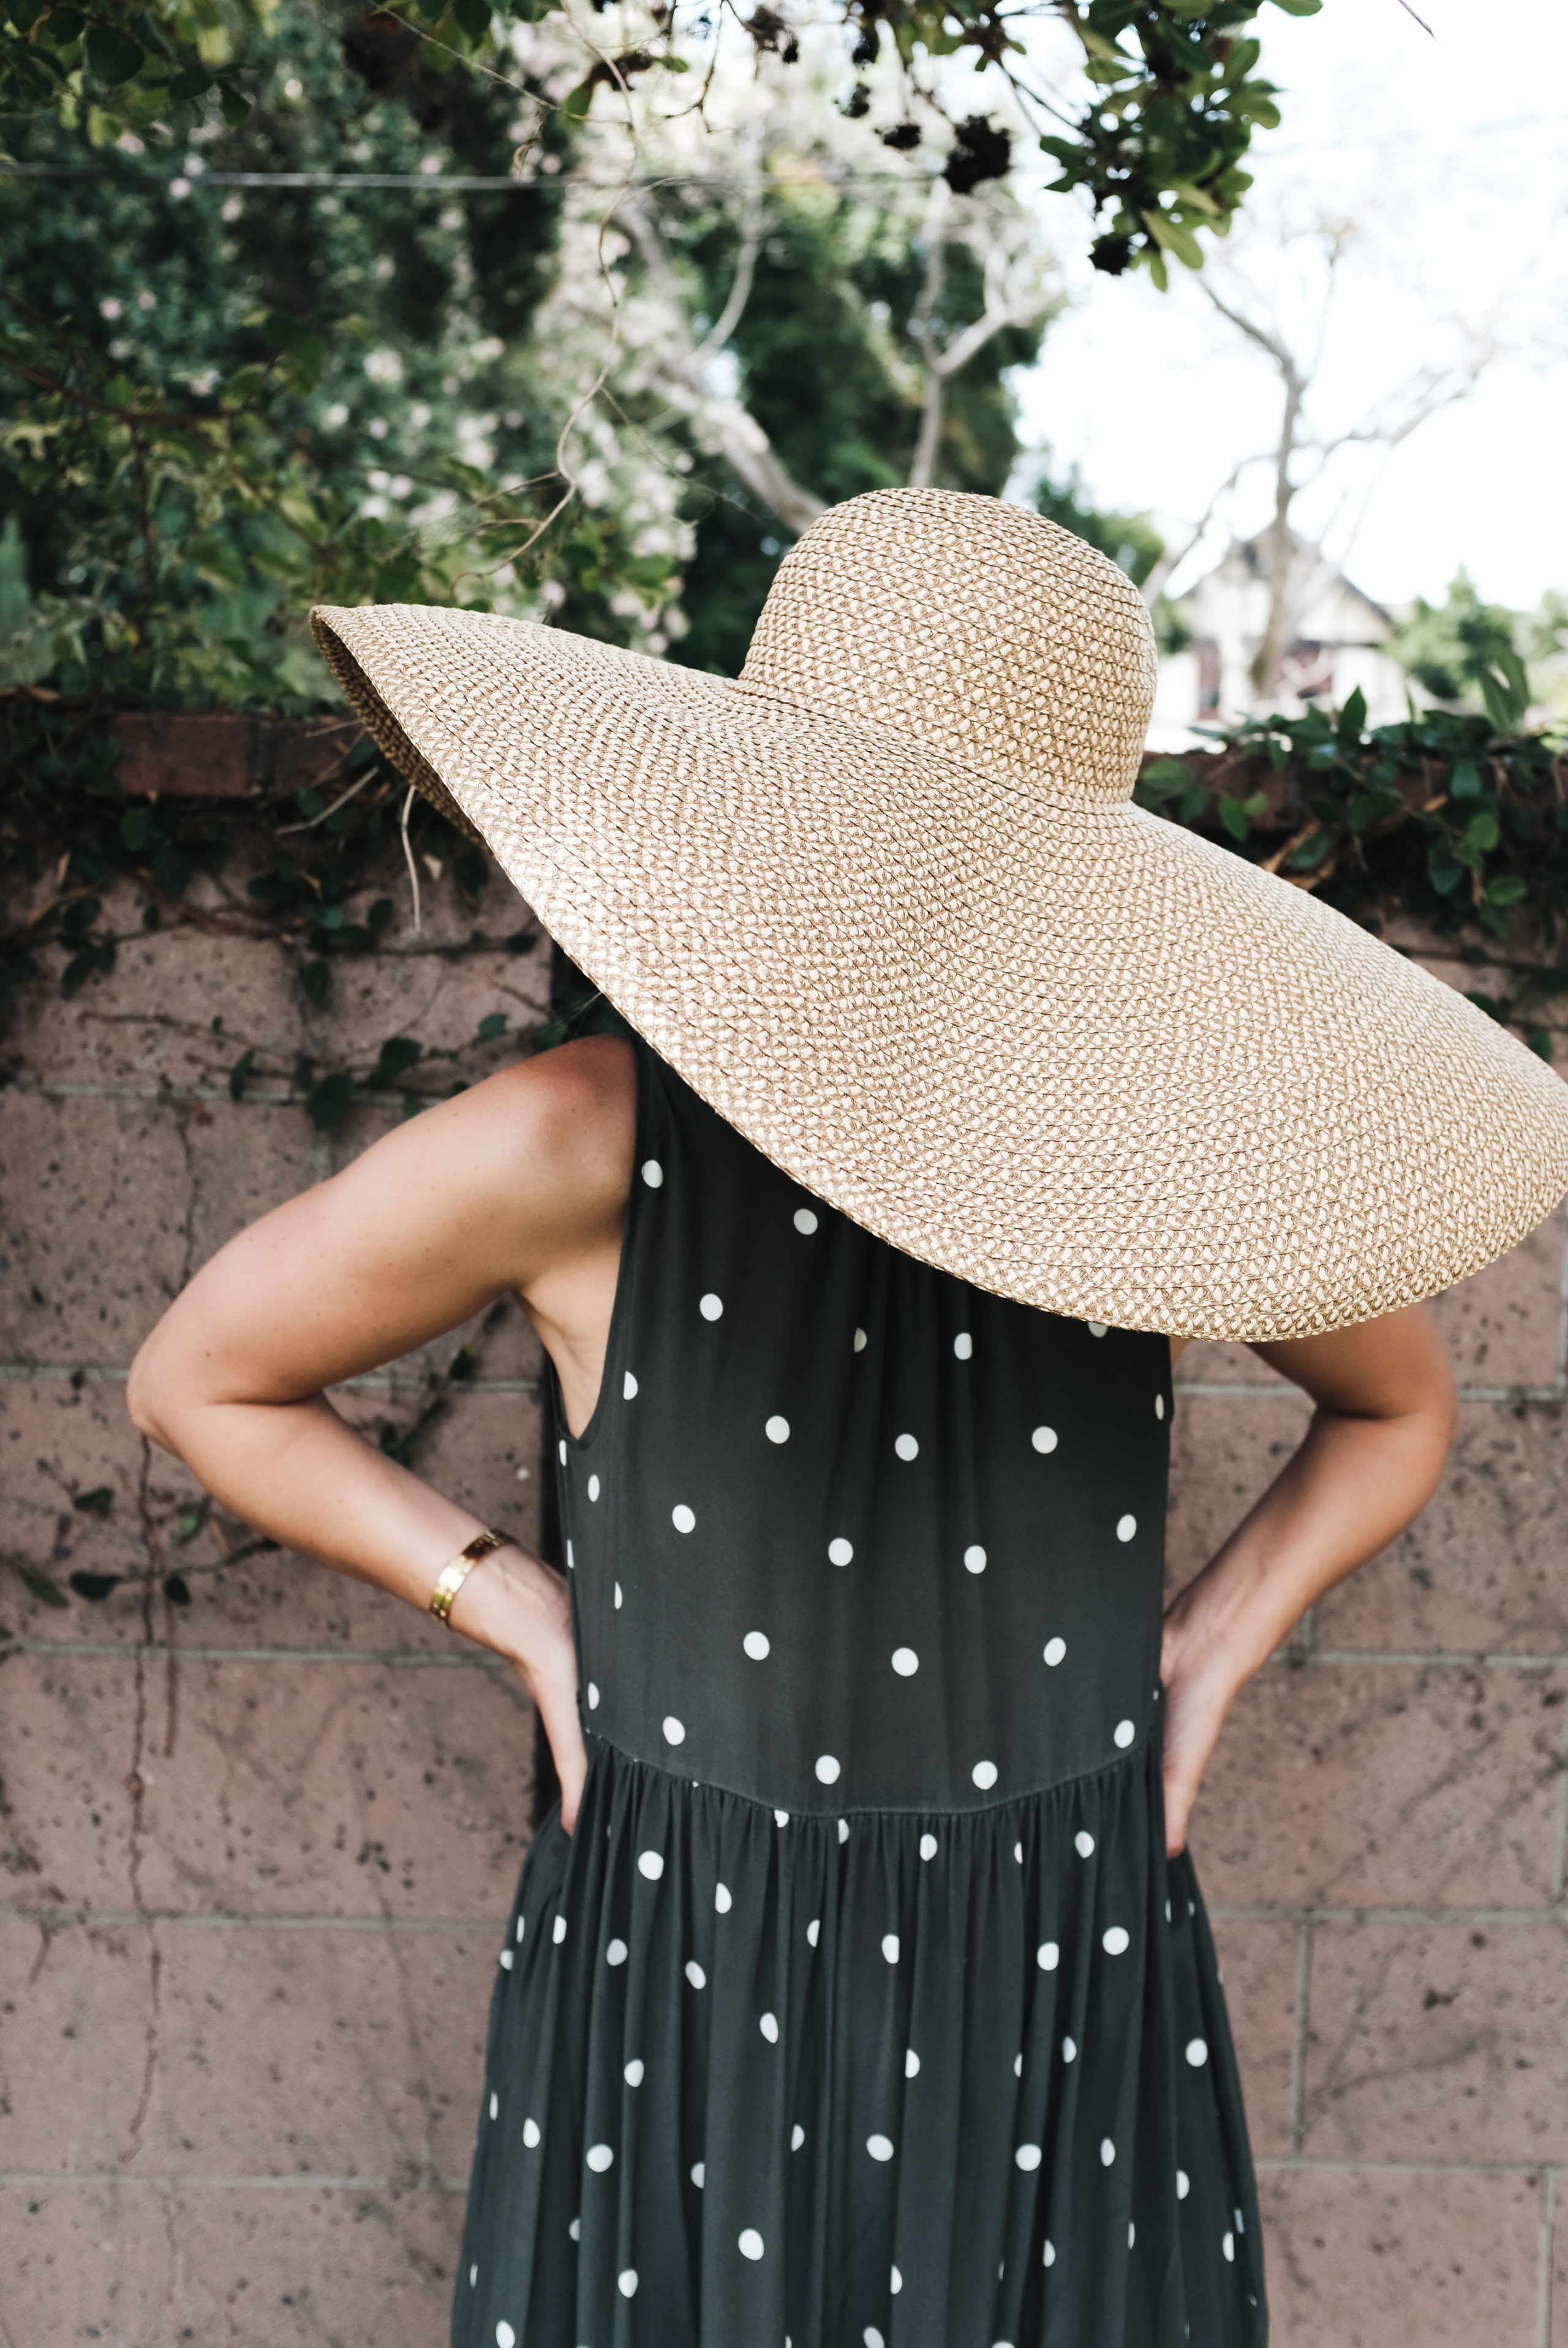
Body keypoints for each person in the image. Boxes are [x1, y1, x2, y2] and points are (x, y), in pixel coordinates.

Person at [129, 489, 1568, 2347]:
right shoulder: (586, 1139)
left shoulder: (1166, 1145)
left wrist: (1206, 1659)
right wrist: (508, 1599)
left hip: (1052, 1961)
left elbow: (1395, 1407)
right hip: (698, 1979)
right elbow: (202, 1377)